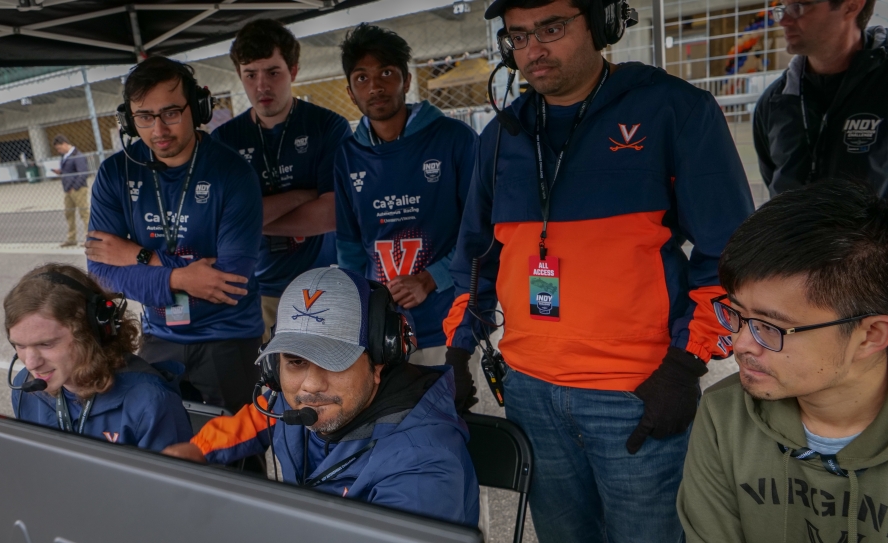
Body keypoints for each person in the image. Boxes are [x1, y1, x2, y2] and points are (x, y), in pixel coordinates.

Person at [443, 0, 755, 541]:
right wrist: (456, 350)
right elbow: (475, 258)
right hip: (530, 394)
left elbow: (730, 254)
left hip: (636, 393)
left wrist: (686, 366)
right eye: (517, 36)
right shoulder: (502, 136)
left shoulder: (673, 110)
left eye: (552, 28)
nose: (532, 50)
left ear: (603, 24)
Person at [162, 266, 480, 526]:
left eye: (335, 361)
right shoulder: (295, 399)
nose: (311, 386)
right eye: (296, 361)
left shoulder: (423, 463)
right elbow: (259, 415)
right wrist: (197, 449)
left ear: (379, 362)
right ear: (274, 368)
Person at [677, 180, 888, 543]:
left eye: (770, 327)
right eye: (737, 315)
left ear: (871, 336)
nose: (740, 343)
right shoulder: (724, 415)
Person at [85, 56, 264, 415]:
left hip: (227, 337)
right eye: (145, 117)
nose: (159, 130)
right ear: (129, 120)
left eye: (170, 113)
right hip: (159, 336)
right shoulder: (115, 173)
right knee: (163, 451)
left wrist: (138, 257)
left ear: (197, 109)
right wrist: (183, 277)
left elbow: (229, 281)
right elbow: (102, 273)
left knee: (238, 458)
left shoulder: (233, 174)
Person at [334, 24, 478, 370]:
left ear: (406, 80)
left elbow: (479, 230)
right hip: (383, 329)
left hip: (447, 322)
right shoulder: (347, 155)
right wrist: (359, 313)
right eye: (362, 78)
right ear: (351, 92)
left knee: (452, 417)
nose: (376, 87)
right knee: (394, 421)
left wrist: (430, 279)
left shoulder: (454, 138)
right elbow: (350, 246)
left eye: (386, 73)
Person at [211, 19, 351, 342]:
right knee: (267, 386)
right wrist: (303, 196)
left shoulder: (328, 126)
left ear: (294, 71)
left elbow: (330, 214)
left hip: (323, 285)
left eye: (273, 72)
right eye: (250, 74)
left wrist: (248, 219)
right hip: (255, 291)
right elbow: (218, 225)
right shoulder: (222, 142)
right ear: (240, 76)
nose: (261, 85)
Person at [5, 263, 192, 451]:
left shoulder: (150, 402)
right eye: (20, 345)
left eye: (46, 344)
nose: (31, 363)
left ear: (89, 332)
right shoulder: (26, 388)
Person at [752, 0, 886, 196]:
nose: (784, 20)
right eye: (783, 8)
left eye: (800, 6)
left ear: (851, 6)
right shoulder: (775, 102)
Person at [52, 134, 90, 247]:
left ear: (64, 144)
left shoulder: (77, 155)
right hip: (68, 189)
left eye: (59, 148)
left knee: (84, 213)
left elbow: (83, 173)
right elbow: (69, 171)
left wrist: (75, 187)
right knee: (69, 213)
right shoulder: (65, 156)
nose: (58, 151)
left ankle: (89, 238)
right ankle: (71, 238)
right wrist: (61, 172)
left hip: (77, 189)